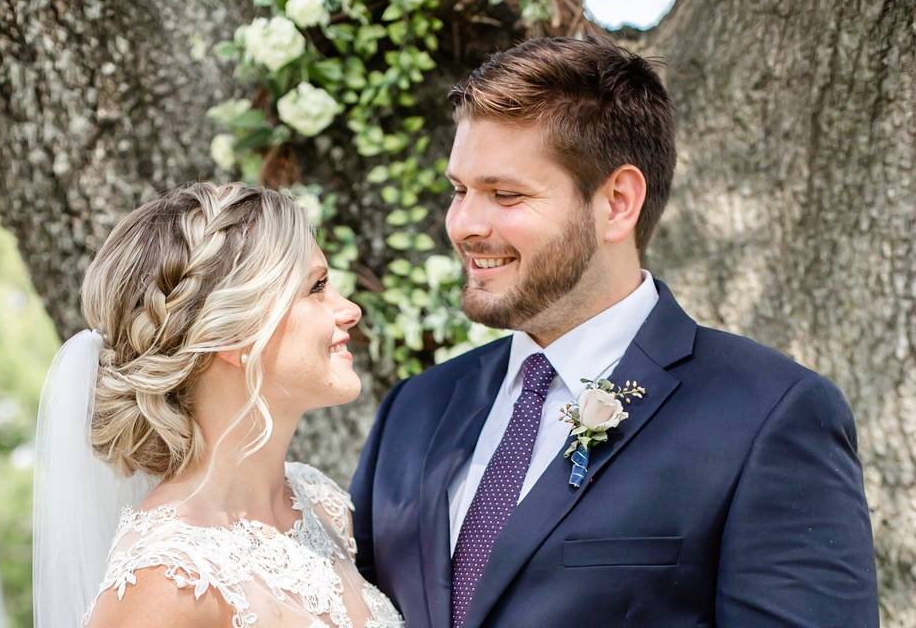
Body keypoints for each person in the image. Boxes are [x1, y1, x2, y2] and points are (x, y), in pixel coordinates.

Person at [350, 35, 879, 627]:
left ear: (617, 202)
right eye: (459, 191)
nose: (465, 224)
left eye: (505, 194)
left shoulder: (767, 415)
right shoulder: (414, 411)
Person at [32, 183, 404, 627]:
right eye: (317, 287)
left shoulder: (320, 503)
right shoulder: (168, 580)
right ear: (235, 335)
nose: (350, 310)